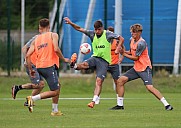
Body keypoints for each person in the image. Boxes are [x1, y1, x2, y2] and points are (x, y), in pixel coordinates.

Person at [64, 17, 124, 108]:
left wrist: (118, 47)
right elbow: (79, 28)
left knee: (99, 81)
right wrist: (71, 23)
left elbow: (121, 39)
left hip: (104, 62)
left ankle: (94, 101)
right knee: (84, 65)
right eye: (95, 29)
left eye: (99, 29)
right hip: (95, 58)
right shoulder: (92, 34)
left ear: (102, 28)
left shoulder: (107, 34)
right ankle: (74, 65)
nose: (97, 31)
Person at [110, 23, 173, 110]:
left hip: (144, 68)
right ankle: (120, 105)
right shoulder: (131, 40)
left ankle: (167, 105)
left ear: (139, 32)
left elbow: (136, 57)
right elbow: (131, 53)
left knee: (149, 87)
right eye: (131, 32)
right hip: (136, 68)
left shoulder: (141, 43)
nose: (132, 34)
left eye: (134, 33)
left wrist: (123, 53)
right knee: (120, 81)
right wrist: (122, 50)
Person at [26, 18, 70, 115]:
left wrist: (30, 69)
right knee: (55, 91)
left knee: (58, 85)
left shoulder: (36, 40)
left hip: (39, 67)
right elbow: (56, 49)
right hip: (48, 66)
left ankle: (55, 110)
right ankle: (32, 98)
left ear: (40, 27)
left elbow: (27, 55)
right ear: (49, 26)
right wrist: (64, 59)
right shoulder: (53, 35)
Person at [12, 29, 45, 105]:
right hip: (31, 64)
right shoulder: (36, 38)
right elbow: (24, 48)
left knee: (41, 84)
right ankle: (17, 88)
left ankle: (29, 101)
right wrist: (26, 60)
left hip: (37, 64)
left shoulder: (46, 40)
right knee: (37, 85)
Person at [95, 26, 124, 105]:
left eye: (111, 32)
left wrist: (121, 58)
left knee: (117, 82)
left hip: (114, 65)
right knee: (99, 81)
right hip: (104, 64)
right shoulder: (102, 41)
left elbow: (122, 50)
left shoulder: (117, 42)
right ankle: (97, 97)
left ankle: (119, 99)